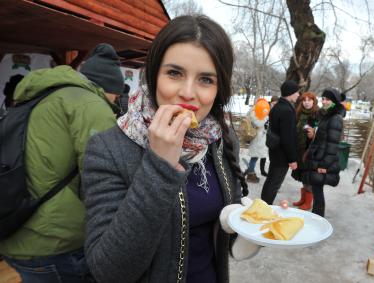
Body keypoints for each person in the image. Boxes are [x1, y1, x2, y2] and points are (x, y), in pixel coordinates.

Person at [82, 15, 259, 283]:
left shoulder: (219, 138)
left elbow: (218, 234)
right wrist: (159, 166)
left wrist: (255, 226)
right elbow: (109, 271)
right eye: (174, 73)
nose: (188, 92)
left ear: (218, 87)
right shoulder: (108, 149)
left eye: (206, 80)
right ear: (153, 75)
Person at [0, 43, 124, 282]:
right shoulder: (91, 105)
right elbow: (107, 179)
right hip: (55, 243)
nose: (117, 99)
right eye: (117, 93)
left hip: (16, 230)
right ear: (107, 86)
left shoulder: (42, 96)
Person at [302, 88, 344, 217]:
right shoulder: (325, 116)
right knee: (316, 188)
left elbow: (332, 145)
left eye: (328, 99)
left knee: (318, 190)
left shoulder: (335, 118)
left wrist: (324, 165)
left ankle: (318, 217)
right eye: (323, 99)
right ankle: (317, 216)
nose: (324, 101)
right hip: (318, 156)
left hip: (322, 160)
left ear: (335, 102)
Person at [261, 80, 299, 205]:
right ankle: (265, 208)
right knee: (274, 183)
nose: (298, 95)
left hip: (275, 150)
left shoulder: (277, 107)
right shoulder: (287, 110)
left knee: (271, 181)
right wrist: (292, 159)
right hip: (281, 153)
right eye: (296, 92)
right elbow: (288, 138)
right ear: (290, 93)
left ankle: (263, 205)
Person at [291, 92, 319, 210]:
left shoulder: (317, 114)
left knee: (309, 176)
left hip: (310, 151)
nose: (307, 102)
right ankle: (303, 199)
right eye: (304, 100)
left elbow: (322, 132)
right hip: (300, 150)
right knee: (303, 175)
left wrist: (314, 134)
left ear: (314, 101)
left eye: (309, 100)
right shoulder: (298, 113)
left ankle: (308, 202)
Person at [244, 98, 270, 183]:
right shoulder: (253, 113)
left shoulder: (258, 112)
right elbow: (258, 123)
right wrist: (266, 117)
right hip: (256, 139)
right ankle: (250, 174)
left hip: (259, 139)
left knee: (255, 157)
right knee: (254, 157)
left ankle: (249, 171)